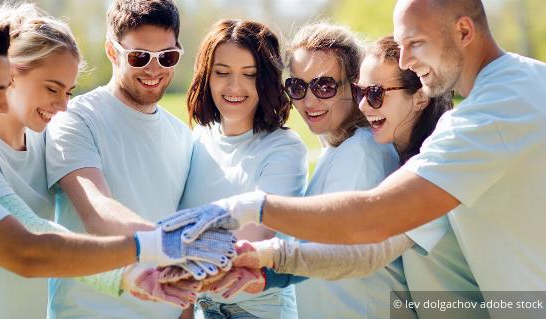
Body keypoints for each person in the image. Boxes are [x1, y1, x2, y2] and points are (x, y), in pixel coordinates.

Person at [160, 0, 546, 312]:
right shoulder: (513, 91)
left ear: (463, 31)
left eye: (416, 43)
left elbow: (371, 221)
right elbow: (372, 251)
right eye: (297, 86)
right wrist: (270, 263)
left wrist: (251, 208)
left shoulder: (492, 112)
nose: (407, 59)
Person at [0, 13, 233, 319]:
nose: (63, 107)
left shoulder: (40, 141)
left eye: (68, 92)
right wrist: (154, 249)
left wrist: (131, 273)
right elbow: (30, 243)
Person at [231, 36, 489, 319]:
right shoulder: (391, 155)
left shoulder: (417, 168)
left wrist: (255, 219)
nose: (365, 105)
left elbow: (360, 253)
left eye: (376, 93)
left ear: (420, 96)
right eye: (361, 92)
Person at [43, 0, 198, 317]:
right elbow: (96, 212)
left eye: (167, 57)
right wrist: (173, 246)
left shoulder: (183, 136)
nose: (154, 69)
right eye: (140, 57)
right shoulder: (76, 118)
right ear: (113, 52)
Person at [177, 19, 307, 319]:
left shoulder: (285, 148)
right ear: (206, 77)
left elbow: (251, 240)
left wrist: (170, 254)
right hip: (201, 307)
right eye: (222, 73)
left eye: (249, 75)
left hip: (259, 310)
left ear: (267, 81)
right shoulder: (196, 140)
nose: (234, 87)